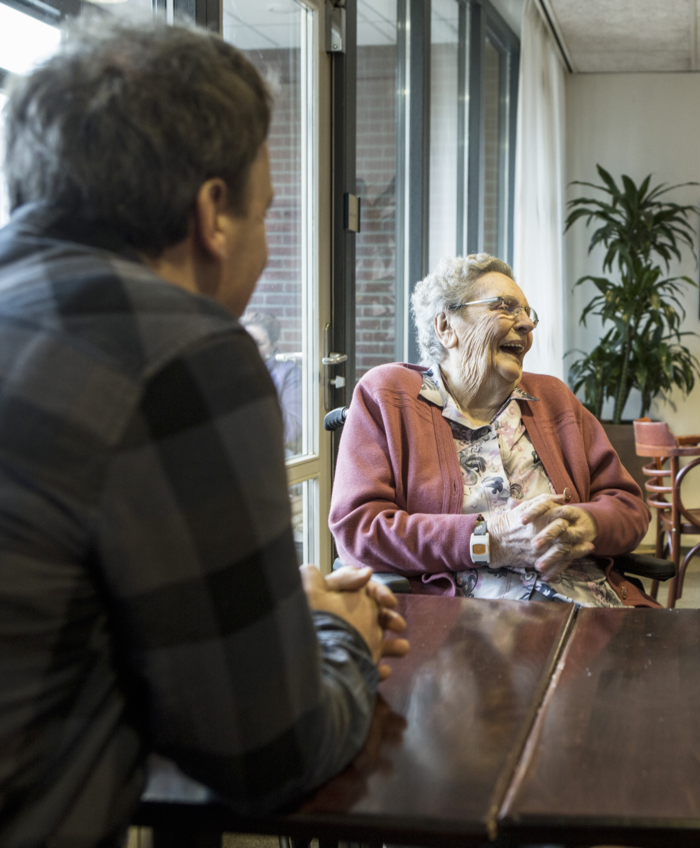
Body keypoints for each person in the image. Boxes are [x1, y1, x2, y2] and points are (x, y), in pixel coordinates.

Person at [0, 20, 408, 848]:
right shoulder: (184, 353)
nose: (264, 245)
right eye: (268, 213)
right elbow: (267, 751)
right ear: (213, 214)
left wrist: (266, 613)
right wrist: (339, 634)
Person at [329, 253, 656, 607]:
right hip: (468, 625)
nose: (527, 324)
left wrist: (587, 524)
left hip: (592, 606)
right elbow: (359, 529)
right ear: (446, 326)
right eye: (505, 307)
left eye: (529, 314)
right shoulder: (387, 396)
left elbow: (629, 507)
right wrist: (488, 540)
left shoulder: (553, 398)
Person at [243, 310, 303, 455]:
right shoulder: (233, 367)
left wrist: (258, 390)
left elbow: (292, 430)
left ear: (273, 345)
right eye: (247, 341)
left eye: (259, 343)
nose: (251, 348)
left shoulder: (290, 372)